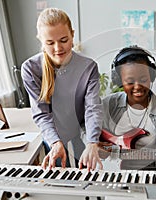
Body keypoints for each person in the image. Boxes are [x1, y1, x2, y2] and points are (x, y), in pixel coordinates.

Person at [21, 8, 103, 171]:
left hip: (79, 135)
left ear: (72, 34)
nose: (58, 48)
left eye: (64, 40)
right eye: (50, 43)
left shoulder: (89, 67)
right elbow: (42, 114)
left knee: (86, 180)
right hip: (51, 139)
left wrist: (93, 142)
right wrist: (55, 142)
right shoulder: (30, 68)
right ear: (41, 41)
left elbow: (93, 109)